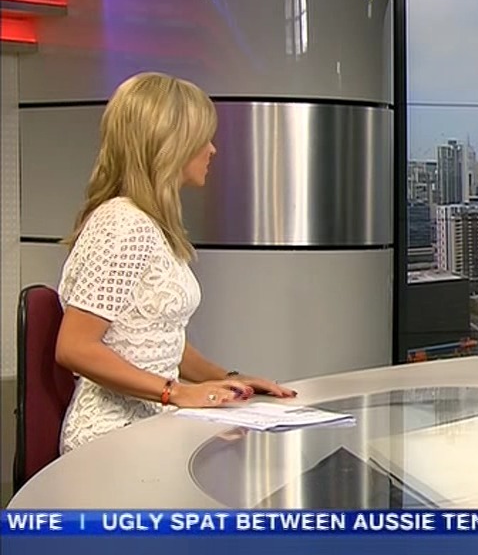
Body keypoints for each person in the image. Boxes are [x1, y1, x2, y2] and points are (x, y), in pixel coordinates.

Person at [54, 72, 297, 455]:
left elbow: (157, 339)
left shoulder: (148, 223)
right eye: (203, 138)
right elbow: (75, 347)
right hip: (111, 437)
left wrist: (230, 381)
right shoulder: (123, 223)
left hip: (153, 421)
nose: (212, 150)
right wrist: (177, 392)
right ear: (170, 144)